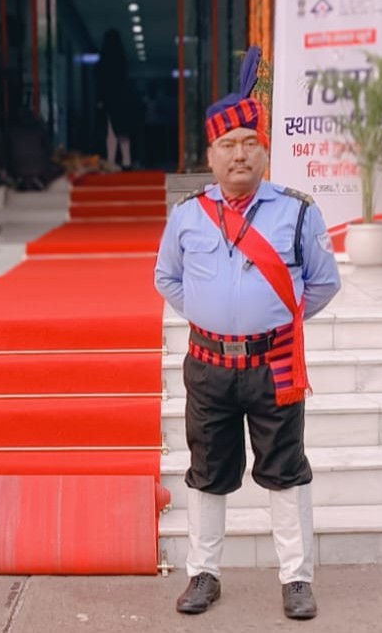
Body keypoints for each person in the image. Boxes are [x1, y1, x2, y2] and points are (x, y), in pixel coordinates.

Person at [154, 47, 340, 621]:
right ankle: (203, 575)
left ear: (264, 151)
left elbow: (324, 282)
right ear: (209, 156)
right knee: (208, 474)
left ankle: (296, 579)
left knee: (285, 471)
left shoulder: (298, 212)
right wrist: (215, 316)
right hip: (209, 366)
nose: (239, 154)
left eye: (249, 144)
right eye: (227, 145)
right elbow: (167, 277)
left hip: (274, 364)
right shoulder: (187, 216)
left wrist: (269, 324)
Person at [95, 28, 137, 169]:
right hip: (121, 98)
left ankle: (111, 160)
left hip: (109, 98)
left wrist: (100, 99)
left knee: (111, 131)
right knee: (122, 130)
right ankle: (126, 160)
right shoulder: (122, 59)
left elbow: (100, 82)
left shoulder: (103, 60)